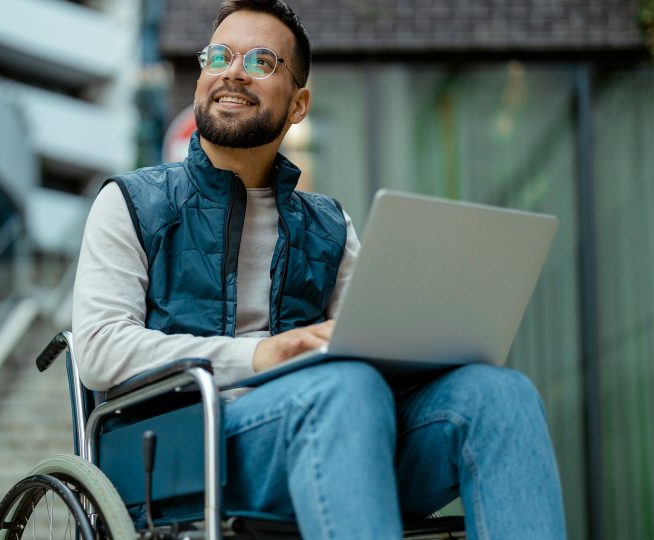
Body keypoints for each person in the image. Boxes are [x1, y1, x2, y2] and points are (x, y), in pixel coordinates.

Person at [72, 1, 566, 538]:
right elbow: (98, 350)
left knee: (499, 395)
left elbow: (367, 344)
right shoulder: (132, 202)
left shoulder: (329, 226)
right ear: (200, 76)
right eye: (220, 55)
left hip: (340, 431)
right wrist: (258, 355)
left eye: (262, 61)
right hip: (186, 447)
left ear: (299, 104)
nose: (234, 70)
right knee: (345, 388)